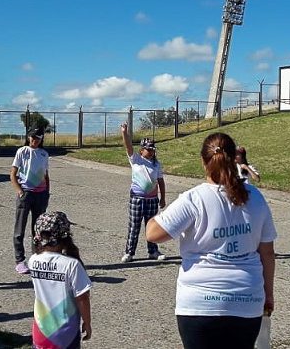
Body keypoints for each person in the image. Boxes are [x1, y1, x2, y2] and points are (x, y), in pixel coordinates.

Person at [146, 132, 277, 349]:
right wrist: (268, 295)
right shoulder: (255, 197)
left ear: (203, 162)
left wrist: (157, 214)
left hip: (199, 303)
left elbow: (153, 233)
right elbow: (267, 253)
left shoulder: (193, 199)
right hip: (247, 300)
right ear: (235, 158)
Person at [28, 211, 92, 349]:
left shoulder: (33, 261)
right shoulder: (71, 265)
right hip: (66, 333)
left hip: (41, 330)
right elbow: (83, 298)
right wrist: (87, 322)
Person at [119, 122, 166, 262]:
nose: (151, 152)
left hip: (152, 200)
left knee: (151, 226)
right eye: (148, 149)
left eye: (153, 150)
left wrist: (162, 198)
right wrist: (124, 132)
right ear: (141, 150)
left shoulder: (156, 164)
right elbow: (128, 146)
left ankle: (153, 251)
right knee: (134, 226)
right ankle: (129, 252)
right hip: (137, 198)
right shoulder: (136, 160)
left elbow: (161, 181)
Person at [10, 126, 51, 275]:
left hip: (40, 194)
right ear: (29, 138)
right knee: (19, 230)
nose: (35, 141)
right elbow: (13, 174)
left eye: (38, 138)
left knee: (38, 229)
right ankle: (20, 261)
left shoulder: (44, 154)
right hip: (26, 193)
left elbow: (46, 176)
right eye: (33, 138)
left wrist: (47, 193)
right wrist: (19, 191)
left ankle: (37, 257)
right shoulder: (22, 152)